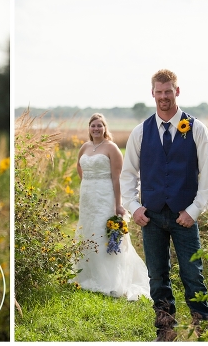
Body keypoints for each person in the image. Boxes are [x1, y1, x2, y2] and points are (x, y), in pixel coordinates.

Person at [121, 69, 208, 341]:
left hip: (184, 217)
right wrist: (134, 207)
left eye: (168, 91)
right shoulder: (141, 132)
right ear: (153, 93)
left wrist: (194, 211)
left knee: (193, 276)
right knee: (157, 277)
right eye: (159, 92)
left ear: (177, 91)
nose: (164, 97)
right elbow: (127, 175)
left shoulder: (197, 129)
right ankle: (166, 331)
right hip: (150, 218)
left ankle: (204, 330)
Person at [73, 113, 150, 301]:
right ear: (89, 128)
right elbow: (79, 167)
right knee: (88, 230)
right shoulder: (85, 147)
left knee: (102, 232)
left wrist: (118, 204)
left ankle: (109, 279)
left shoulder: (112, 148)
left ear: (105, 128)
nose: (96, 129)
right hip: (88, 197)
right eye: (93, 126)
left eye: (100, 126)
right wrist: (88, 183)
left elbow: (117, 178)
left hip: (105, 196)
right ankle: (87, 274)